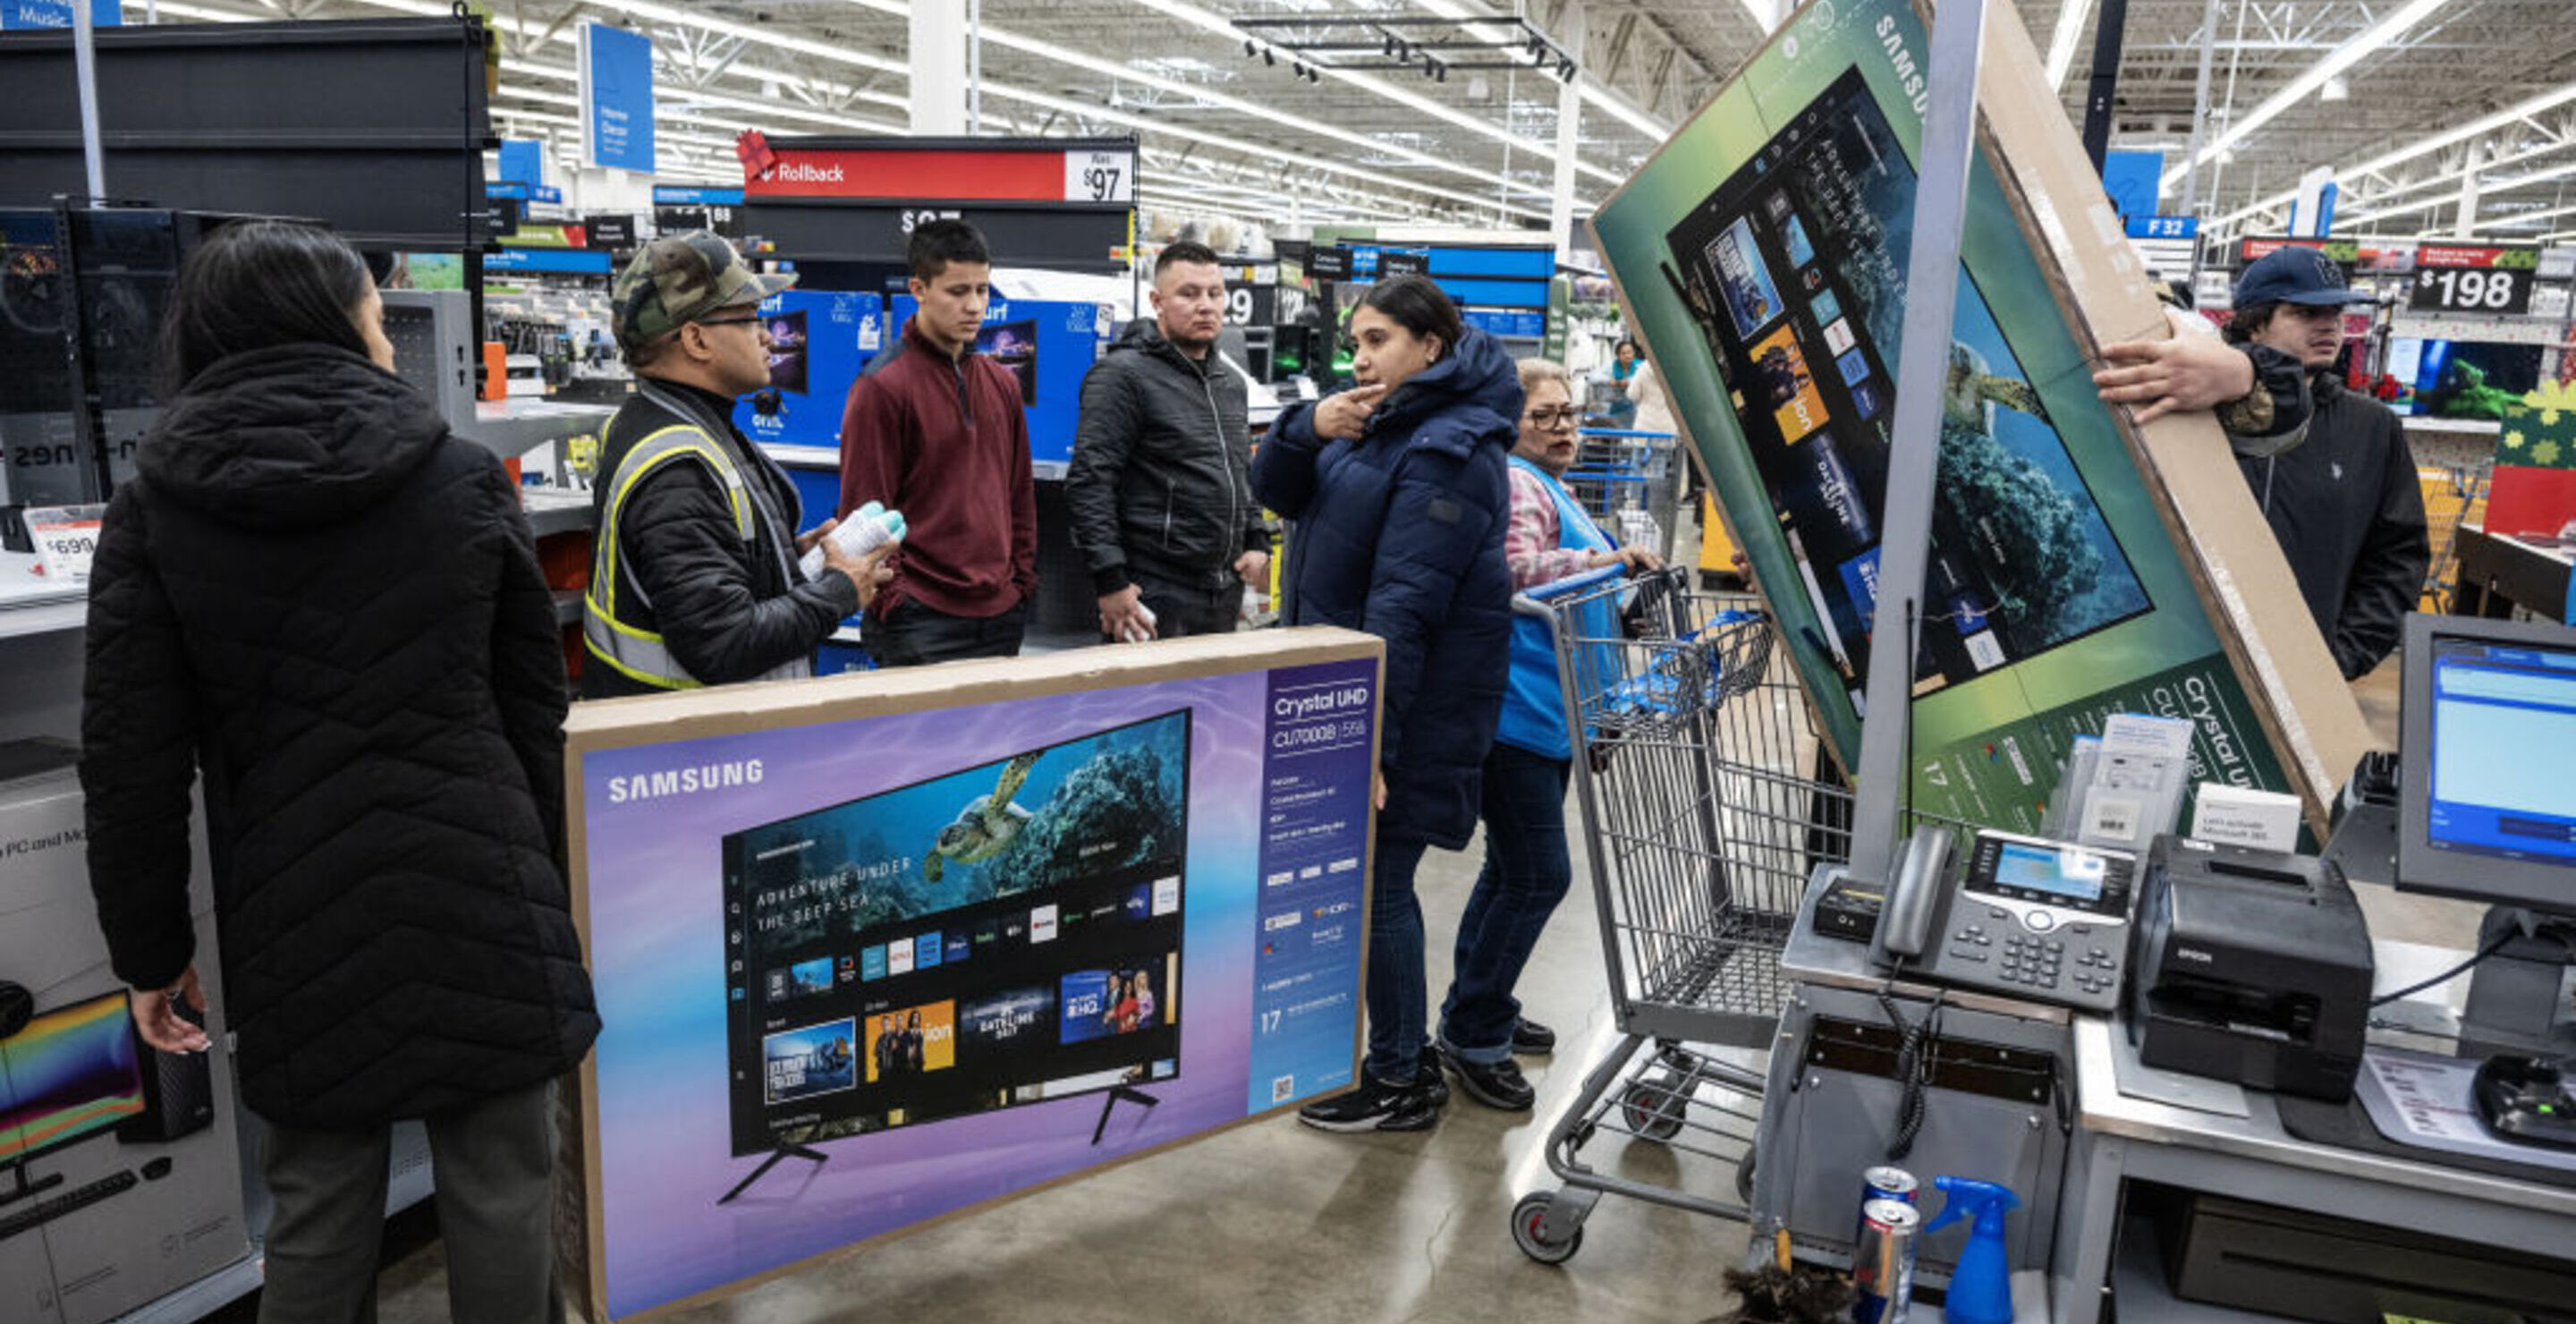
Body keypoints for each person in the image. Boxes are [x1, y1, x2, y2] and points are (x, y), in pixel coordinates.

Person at [80, 220, 597, 1324]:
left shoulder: (153, 509)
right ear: (334, 325)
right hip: (479, 885)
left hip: (295, 913)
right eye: (374, 313)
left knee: (315, 1206)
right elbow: (530, 704)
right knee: (506, 1188)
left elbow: (132, 763)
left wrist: (152, 954)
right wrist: (541, 871)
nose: (392, 340)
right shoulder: (462, 476)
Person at [1253, 274, 1519, 1133]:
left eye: (1379, 342)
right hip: (1341, 699)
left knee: (1379, 887)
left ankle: (1400, 1076)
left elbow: (1405, 607)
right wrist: (1304, 424)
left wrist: (1368, 740)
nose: (1360, 359)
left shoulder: (1452, 448)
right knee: (1368, 886)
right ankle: (1400, 1063)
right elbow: (1276, 494)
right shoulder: (1374, 426)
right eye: (1356, 342)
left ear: (1430, 347)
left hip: (1404, 713)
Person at [1435, 359, 1662, 1111]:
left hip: (1547, 714)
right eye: (1546, 416)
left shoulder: (1551, 484)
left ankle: (1479, 1006)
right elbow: (1511, 572)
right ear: (1509, 422)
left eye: (1569, 414)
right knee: (1539, 875)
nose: (1564, 428)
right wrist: (1602, 560)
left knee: (1510, 869)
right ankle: (1472, 1034)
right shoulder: (1516, 482)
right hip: (1515, 713)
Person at [2095, 247, 2427, 679]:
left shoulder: (2372, 428)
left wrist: (2340, 657)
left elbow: (2398, 556)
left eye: (2336, 311)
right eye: (2305, 312)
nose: (2329, 324)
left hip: (2297, 681)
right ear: (2255, 320)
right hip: (2163, 660)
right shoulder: (2189, 399)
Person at [583, 231, 891, 697]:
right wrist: (838, 591)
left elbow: (706, 571)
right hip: (687, 748)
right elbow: (723, 642)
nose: (768, 336)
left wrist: (788, 558)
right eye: (750, 320)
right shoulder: (677, 469)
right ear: (696, 339)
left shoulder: (683, 423)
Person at [838, 220, 1039, 666]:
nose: (974, 306)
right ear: (919, 288)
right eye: (957, 291)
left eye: (983, 290)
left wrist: (1021, 583)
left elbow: (1019, 495)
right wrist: (898, 600)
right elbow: (865, 513)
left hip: (1000, 611)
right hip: (920, 621)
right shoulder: (882, 388)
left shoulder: (1002, 383)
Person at [1066, 240, 1272, 641]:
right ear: (1157, 301)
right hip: (1152, 591)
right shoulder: (1122, 376)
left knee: (1216, 703)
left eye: (1215, 294)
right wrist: (1110, 580)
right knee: (1149, 705)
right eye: (1189, 294)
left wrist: (1257, 537)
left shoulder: (1229, 382)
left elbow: (1239, 470)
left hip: (1222, 590)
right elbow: (1090, 482)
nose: (1206, 305)